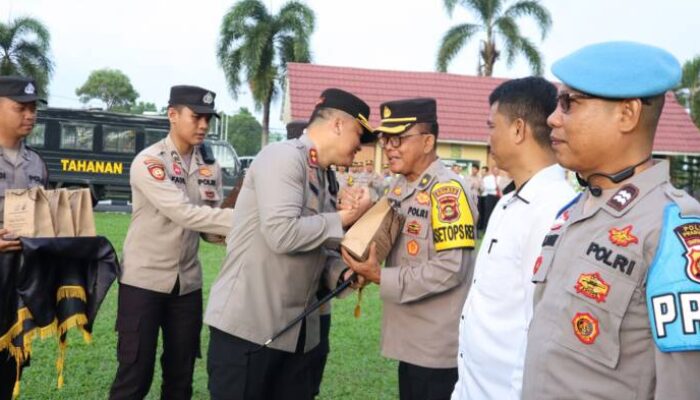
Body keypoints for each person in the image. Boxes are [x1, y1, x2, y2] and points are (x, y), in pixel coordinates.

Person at [522, 41, 700, 399]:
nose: (553, 118)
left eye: (569, 103)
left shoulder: (674, 227)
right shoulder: (576, 209)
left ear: (627, 115)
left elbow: (685, 385)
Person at [204, 88, 374, 400]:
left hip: (296, 334)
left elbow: (314, 247)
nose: (360, 147)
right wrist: (346, 217)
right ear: (337, 124)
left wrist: (343, 272)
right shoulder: (283, 157)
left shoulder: (322, 176)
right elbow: (282, 234)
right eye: (359, 134)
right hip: (248, 330)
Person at [342, 98, 477, 400]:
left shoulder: (447, 192)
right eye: (386, 139)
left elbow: (451, 268)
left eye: (399, 139)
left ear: (428, 141)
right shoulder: (400, 186)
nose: (389, 147)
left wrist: (381, 276)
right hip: (410, 339)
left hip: (435, 347)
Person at [451, 77, 575, 400]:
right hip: (473, 387)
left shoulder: (552, 210)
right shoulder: (509, 203)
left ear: (518, 130)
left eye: (492, 125)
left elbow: (538, 329)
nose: (487, 137)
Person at [109, 85, 234, 400]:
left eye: (208, 118)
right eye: (197, 117)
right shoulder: (150, 162)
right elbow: (184, 214)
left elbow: (208, 224)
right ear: (173, 115)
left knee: (181, 377)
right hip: (144, 282)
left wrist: (233, 234)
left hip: (187, 285)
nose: (204, 125)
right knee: (134, 375)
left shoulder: (209, 167)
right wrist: (244, 220)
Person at [0, 76, 48, 400]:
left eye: (33, 108)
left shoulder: (37, 163)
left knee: (10, 367)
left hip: (19, 281)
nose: (29, 115)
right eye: (21, 108)